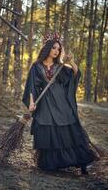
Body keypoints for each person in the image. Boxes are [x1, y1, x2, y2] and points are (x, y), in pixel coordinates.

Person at [22, 33, 97, 175]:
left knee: (68, 131)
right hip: (45, 104)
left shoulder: (61, 67)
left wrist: (72, 61)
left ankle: (81, 163)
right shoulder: (36, 67)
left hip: (62, 103)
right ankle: (52, 164)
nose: (56, 51)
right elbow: (31, 86)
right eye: (54, 48)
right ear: (48, 49)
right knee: (47, 130)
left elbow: (75, 74)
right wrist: (31, 103)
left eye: (58, 49)